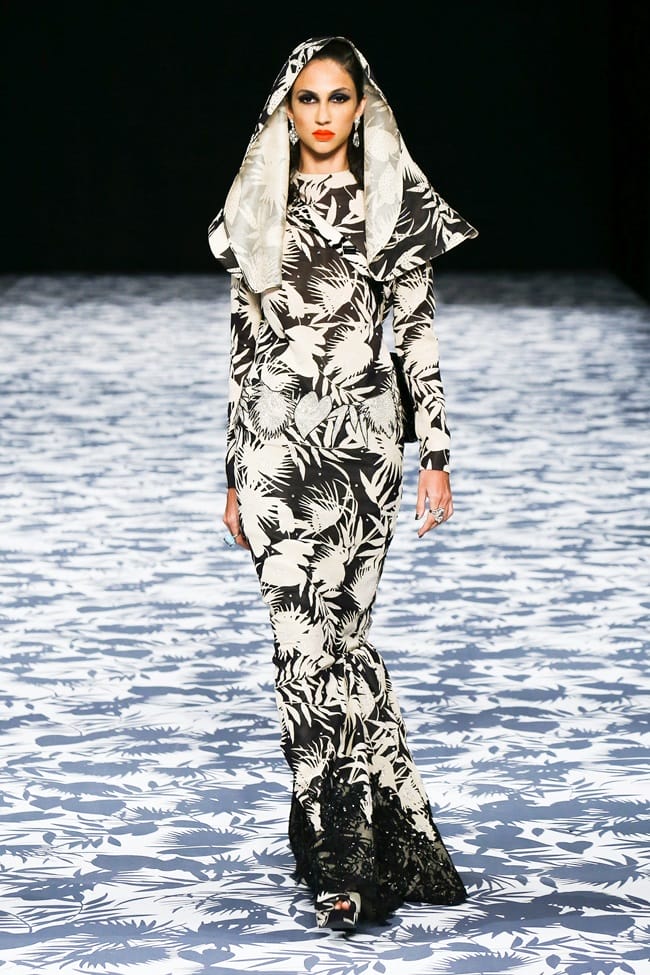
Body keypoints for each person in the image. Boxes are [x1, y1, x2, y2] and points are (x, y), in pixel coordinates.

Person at [208, 34, 478, 931]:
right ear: (286, 109)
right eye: (307, 98)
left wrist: (435, 452)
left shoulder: (393, 203)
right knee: (300, 646)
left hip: (363, 453)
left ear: (361, 107)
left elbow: (418, 334)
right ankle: (344, 859)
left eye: (337, 97)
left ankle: (398, 836)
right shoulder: (257, 202)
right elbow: (243, 348)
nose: (322, 114)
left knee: (345, 643)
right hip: (274, 454)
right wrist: (233, 472)